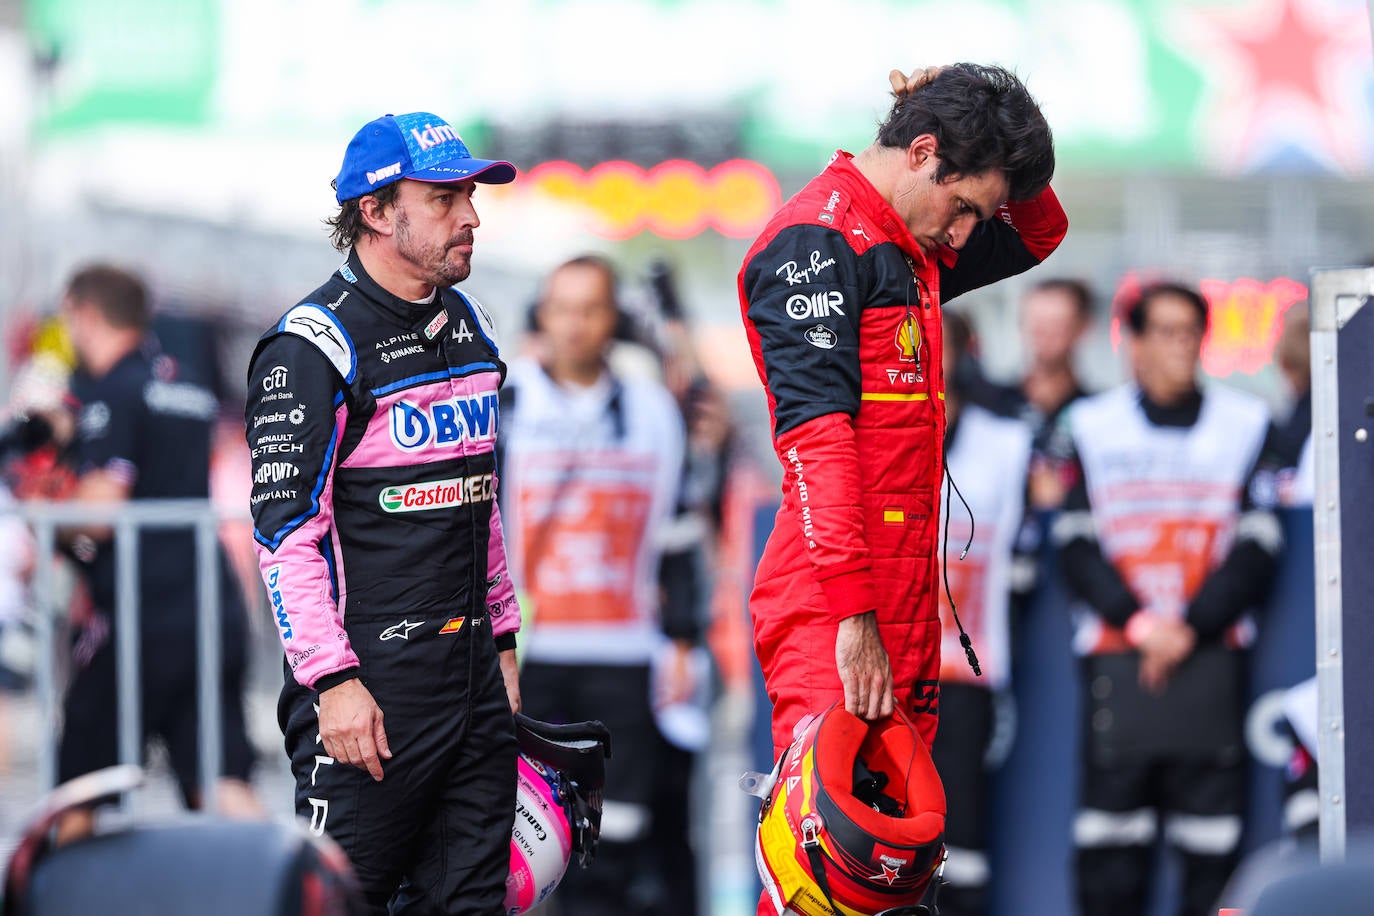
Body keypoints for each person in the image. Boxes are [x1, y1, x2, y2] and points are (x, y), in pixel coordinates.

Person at [737, 61, 1066, 775]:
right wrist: (854, 619)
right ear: (921, 154)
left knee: (897, 866)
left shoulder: (918, 242)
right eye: (967, 209)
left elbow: (1043, 231)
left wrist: (998, 112)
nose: (968, 233)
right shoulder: (814, 242)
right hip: (835, 605)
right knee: (823, 867)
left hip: (908, 601)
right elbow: (815, 442)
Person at [244, 112, 523, 914]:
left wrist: (502, 640)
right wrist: (332, 682)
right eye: (443, 198)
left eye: (469, 195)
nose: (470, 216)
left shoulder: (471, 326)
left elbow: (483, 501)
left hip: (471, 678)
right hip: (371, 689)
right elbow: (284, 537)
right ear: (374, 211)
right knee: (343, 903)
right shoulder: (313, 345)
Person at [1052, 281, 1283, 916]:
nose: (1182, 346)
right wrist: (1142, 625)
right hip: (1117, 659)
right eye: (1167, 332)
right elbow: (1074, 543)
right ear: (1134, 343)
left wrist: (1189, 627)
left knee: (1212, 854)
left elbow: (1259, 542)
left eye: (1191, 333)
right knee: (1109, 850)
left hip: (1210, 657)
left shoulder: (1247, 423)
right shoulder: (1092, 426)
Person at [496, 255, 696, 915]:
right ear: (542, 314)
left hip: (626, 657)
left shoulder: (653, 410)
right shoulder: (508, 400)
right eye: (563, 307)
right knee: (535, 845)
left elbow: (679, 530)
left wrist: (684, 641)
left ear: (614, 319)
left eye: (592, 308)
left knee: (617, 843)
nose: (576, 324)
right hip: (536, 658)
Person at [52, 264, 262, 843]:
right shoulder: (188, 382)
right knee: (221, 784)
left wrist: (48, 507)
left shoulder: (114, 388)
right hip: (207, 607)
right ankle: (304, 892)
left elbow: (99, 509)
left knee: (77, 794)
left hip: (135, 615)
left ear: (85, 314)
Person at [929, 312, 1035, 916]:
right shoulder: (860, 434)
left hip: (963, 681)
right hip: (872, 680)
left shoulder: (1008, 444)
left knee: (962, 854)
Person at [979, 278, 1094, 511]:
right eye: (1037, 325)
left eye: (1057, 325)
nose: (1045, 336)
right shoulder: (992, 408)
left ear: (1082, 328)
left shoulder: (1099, 414)